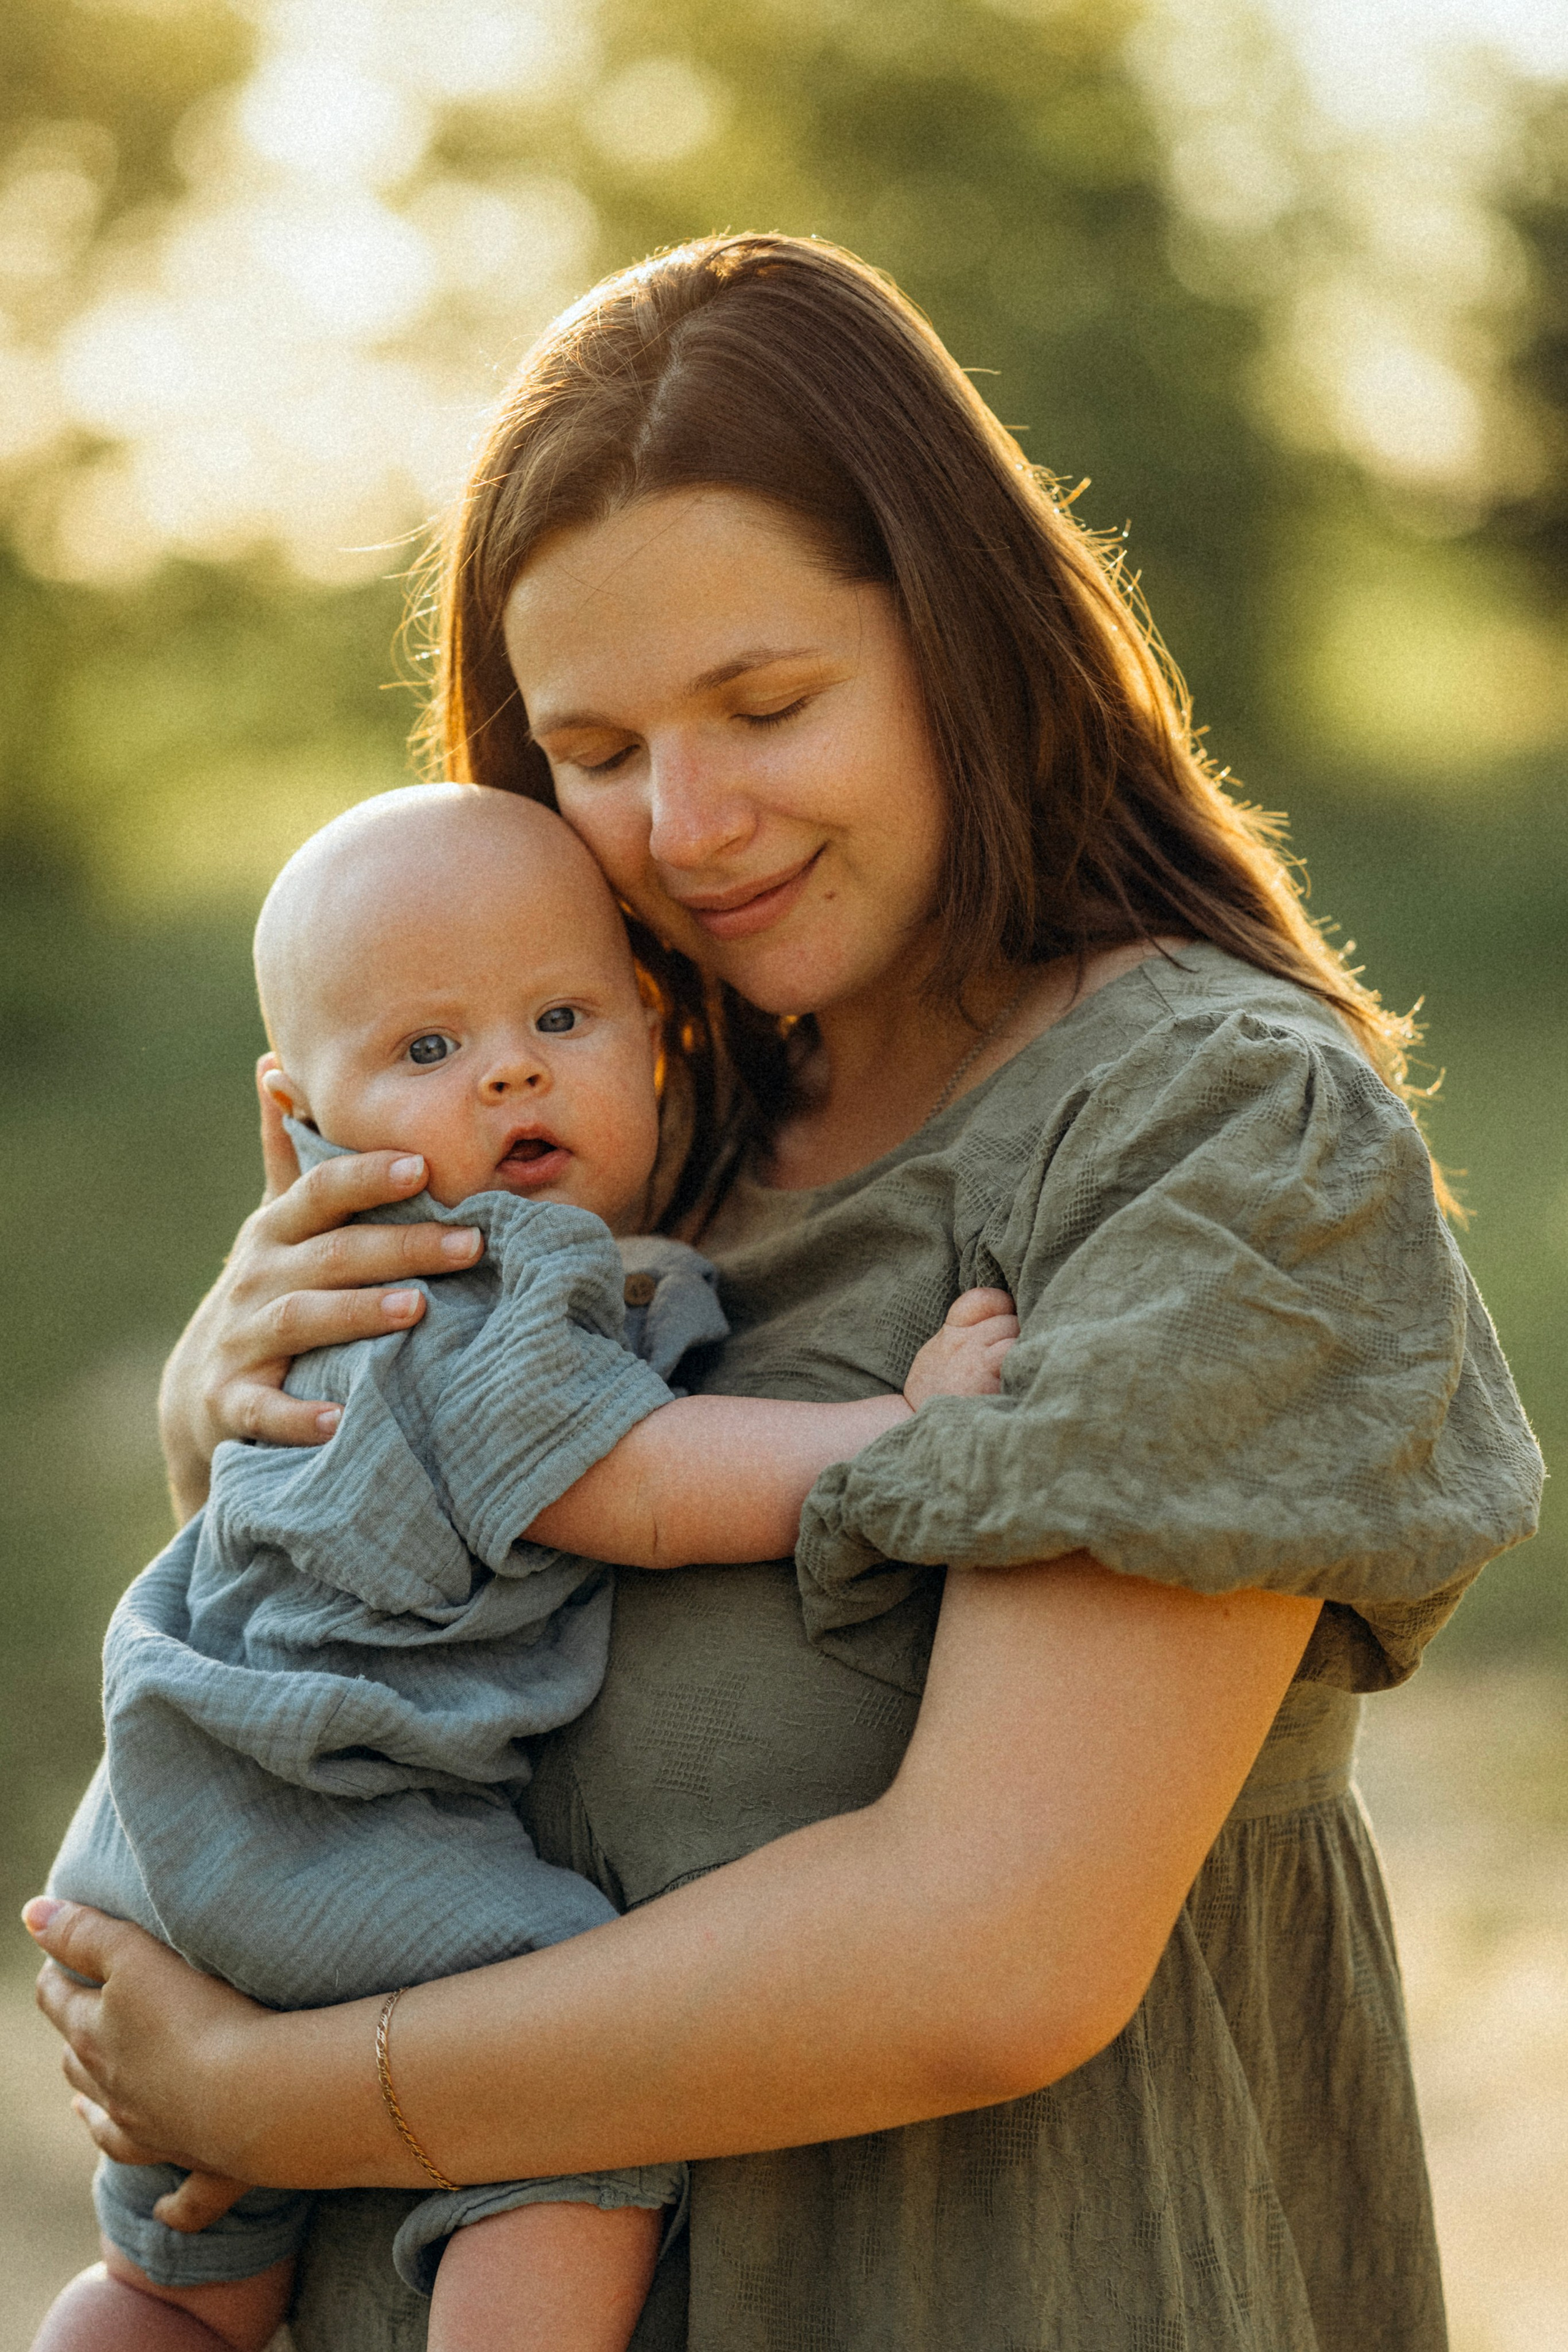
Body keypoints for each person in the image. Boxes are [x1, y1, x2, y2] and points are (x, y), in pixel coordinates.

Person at [28, 234, 1543, 2352]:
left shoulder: (1207, 1138)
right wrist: (238, 1408)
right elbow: (343, 1636)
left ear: (966, 646)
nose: (688, 825)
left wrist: (273, 2098)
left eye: (767, 706)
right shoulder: (603, 1113)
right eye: (595, 744)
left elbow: (989, 1953)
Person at [33, 781, 1017, 2352]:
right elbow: (632, 1487)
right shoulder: (479, 1279)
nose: (506, 1067)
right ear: (299, 1123)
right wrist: (891, 1430)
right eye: (427, 1050)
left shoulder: (340, 1299)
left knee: (184, 2288)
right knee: (567, 2101)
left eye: (558, 1017)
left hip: (165, 1821)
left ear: (648, 1037)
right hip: (316, 1824)